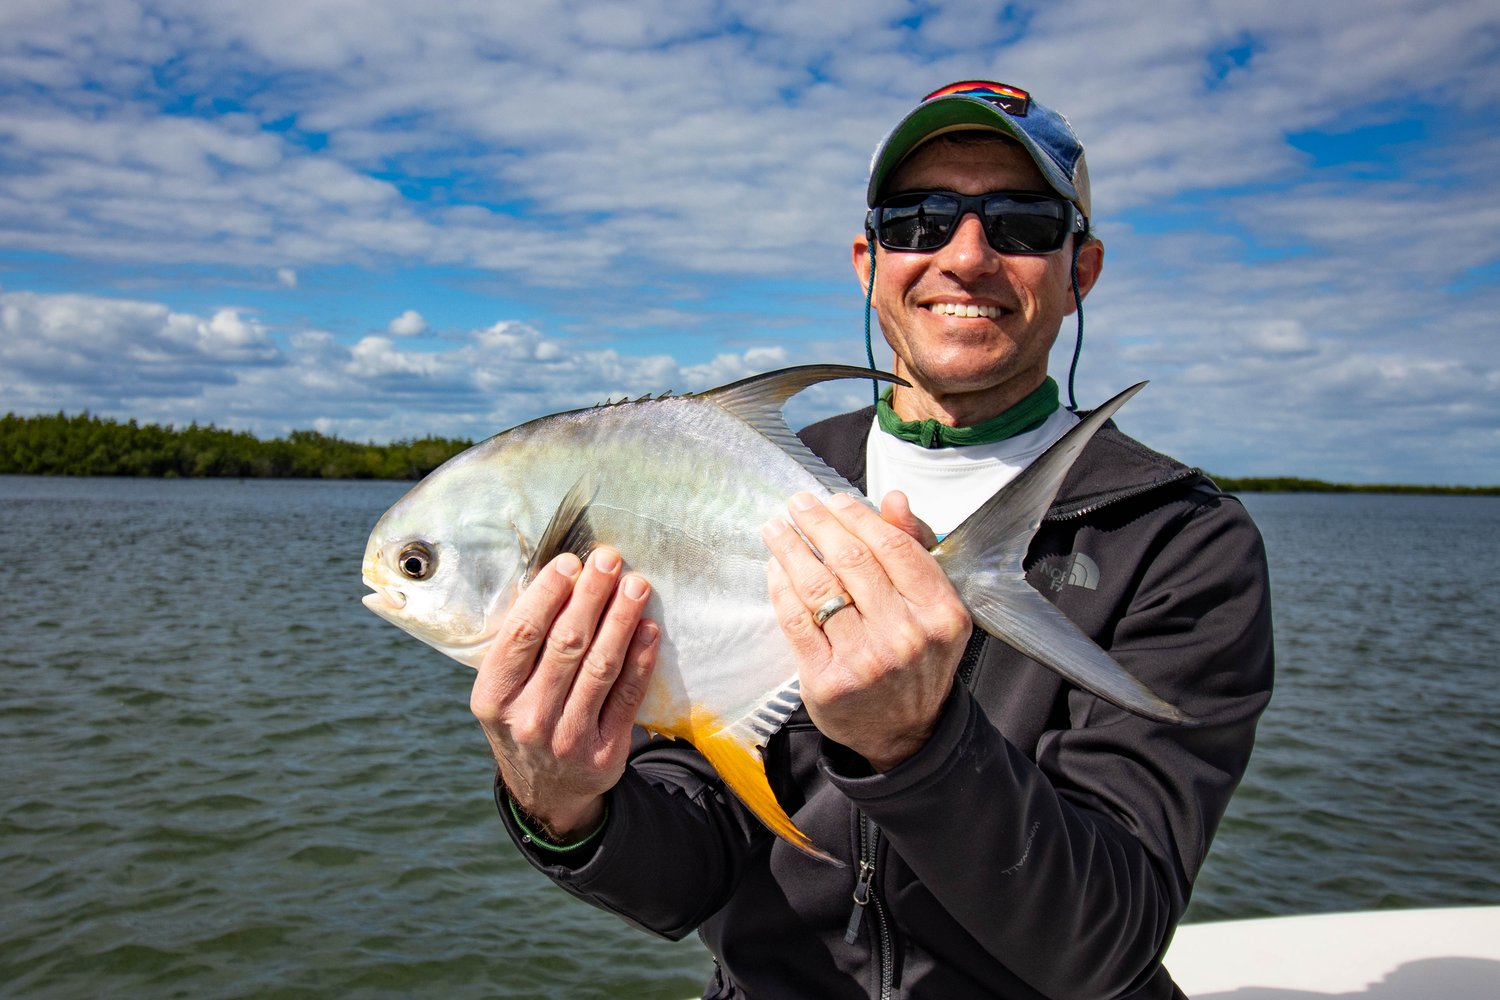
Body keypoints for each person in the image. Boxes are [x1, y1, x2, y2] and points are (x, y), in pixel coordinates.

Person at [471, 80, 1274, 999]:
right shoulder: (746, 486)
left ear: (1079, 268)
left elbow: (1105, 942)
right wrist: (562, 803)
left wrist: (914, 747)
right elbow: (690, 876)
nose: (966, 256)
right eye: (920, 219)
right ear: (869, 259)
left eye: (1021, 223)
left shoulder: (1176, 536)